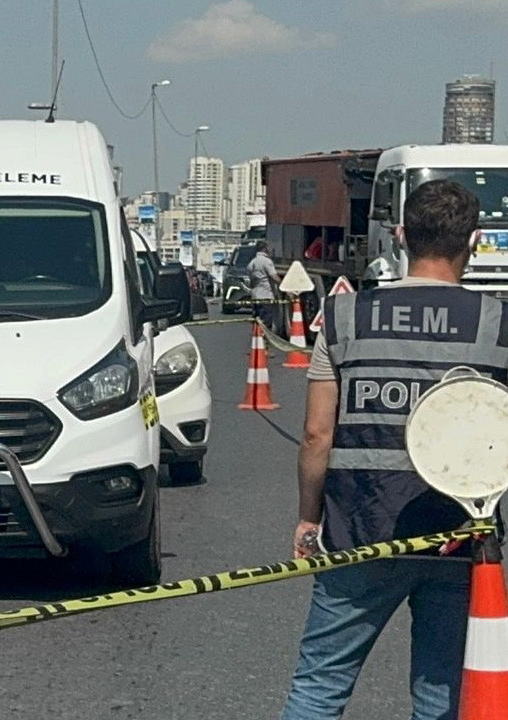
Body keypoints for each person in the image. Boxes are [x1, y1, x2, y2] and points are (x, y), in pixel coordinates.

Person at [280, 180, 508, 720]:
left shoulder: (343, 317)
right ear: (473, 240)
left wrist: (309, 518)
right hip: (459, 533)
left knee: (319, 687)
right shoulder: (498, 324)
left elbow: (316, 435)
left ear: (401, 236)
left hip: (357, 529)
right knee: (440, 693)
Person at [246, 241, 282, 329]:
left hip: (255, 295)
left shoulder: (252, 262)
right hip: (265, 295)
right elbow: (274, 276)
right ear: (264, 249)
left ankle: (257, 335)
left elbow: (251, 280)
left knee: (257, 319)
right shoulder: (266, 261)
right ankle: (264, 335)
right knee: (266, 320)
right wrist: (283, 284)